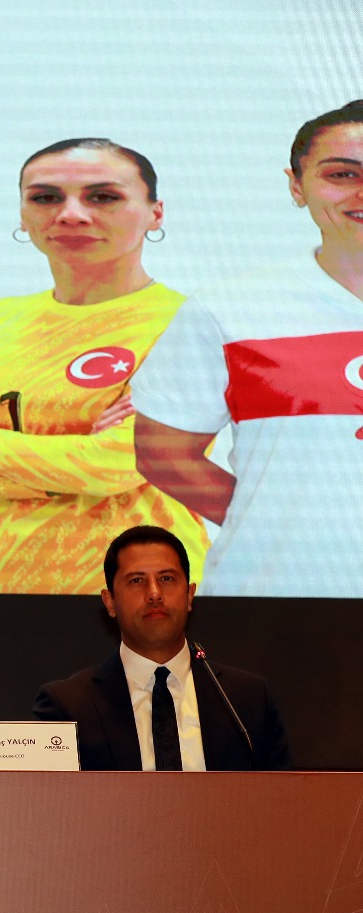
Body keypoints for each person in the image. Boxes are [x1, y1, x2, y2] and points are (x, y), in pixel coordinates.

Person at [0, 138, 207, 593]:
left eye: (103, 197)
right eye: (45, 197)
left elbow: (118, 464)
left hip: (138, 598)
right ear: (22, 214)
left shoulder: (191, 324)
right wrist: (64, 470)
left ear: (156, 213)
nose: (71, 214)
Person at [133, 101, 363, 597]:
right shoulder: (231, 308)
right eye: (342, 174)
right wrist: (274, 523)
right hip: (277, 602)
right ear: (296, 186)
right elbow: (163, 454)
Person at [33, 525, 291, 770]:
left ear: (189, 595)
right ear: (110, 602)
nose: (154, 593)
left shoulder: (247, 701)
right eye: (137, 580)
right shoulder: (68, 707)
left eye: (167, 578)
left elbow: (282, 795)